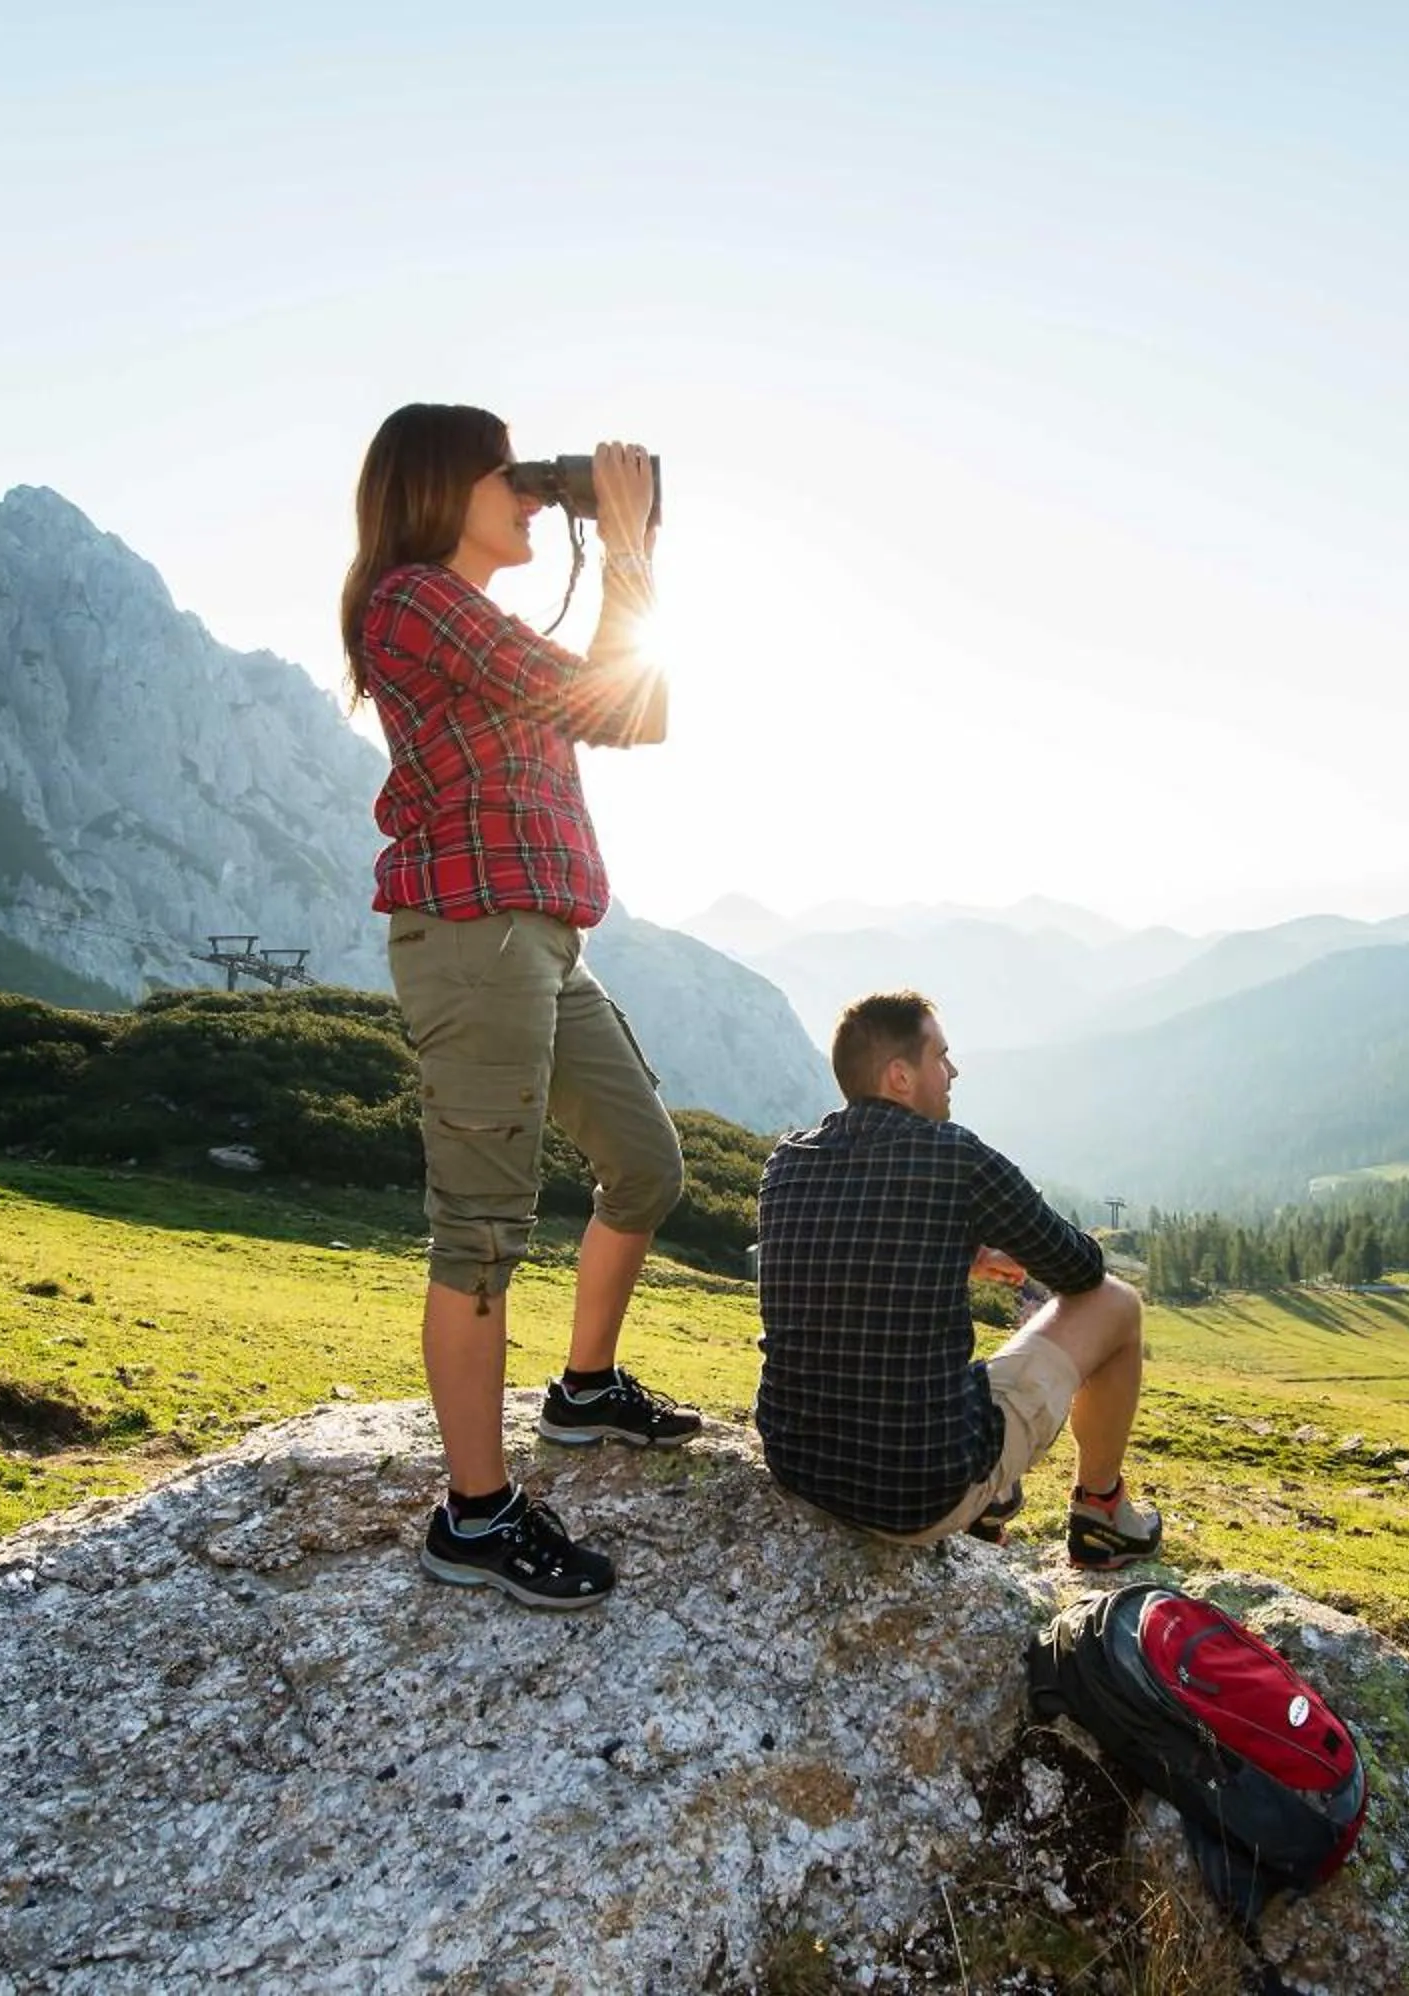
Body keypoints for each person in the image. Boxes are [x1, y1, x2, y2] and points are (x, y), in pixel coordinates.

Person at [341, 403, 697, 1611]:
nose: (538, 497)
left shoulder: (468, 617)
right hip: (474, 936)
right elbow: (612, 703)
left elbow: (630, 710)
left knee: (646, 1164)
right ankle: (477, 1515)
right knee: (482, 1229)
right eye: (515, 478)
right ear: (442, 490)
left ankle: (584, 1390)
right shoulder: (411, 599)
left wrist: (625, 541)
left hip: (540, 937)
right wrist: (632, 544)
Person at [753, 991, 1163, 1569]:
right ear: (900, 1076)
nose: (953, 1072)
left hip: (799, 1467)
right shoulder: (957, 1158)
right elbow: (1079, 1270)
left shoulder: (786, 1163)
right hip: (915, 1496)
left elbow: (845, 1260)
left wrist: (959, 1248)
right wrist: (996, 1234)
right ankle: (1102, 1515)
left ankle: (992, 1500)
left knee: (932, 1373)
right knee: (1117, 1303)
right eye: (940, 1057)